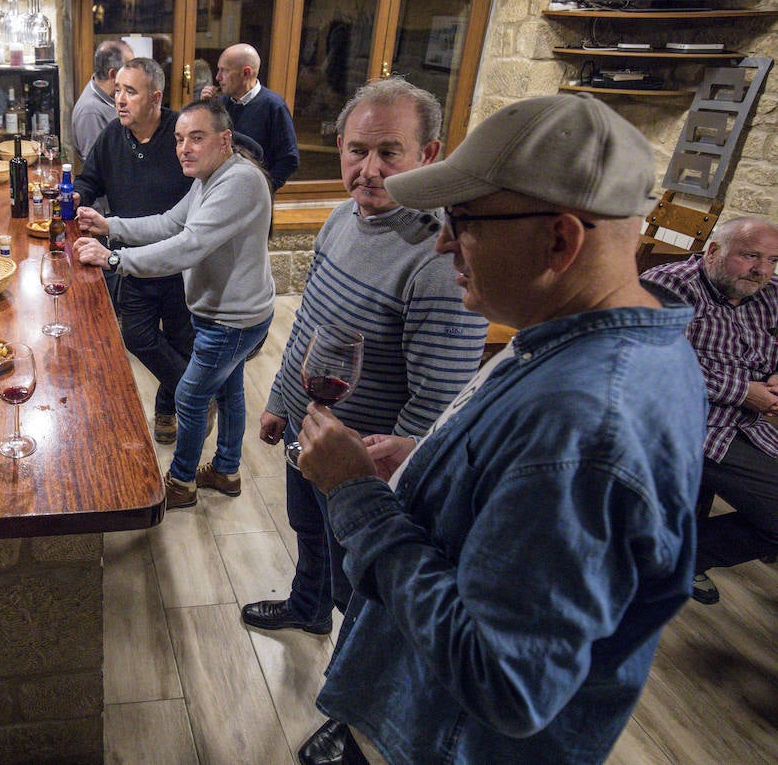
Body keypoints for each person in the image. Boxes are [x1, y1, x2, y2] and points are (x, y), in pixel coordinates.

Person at [291, 93, 705, 765]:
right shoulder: (593, 338)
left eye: (464, 221)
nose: (443, 241)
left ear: (560, 240)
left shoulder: (589, 426)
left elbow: (506, 681)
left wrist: (354, 495)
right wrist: (434, 463)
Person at [242, 78, 487, 640]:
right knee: (307, 530)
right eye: (357, 151)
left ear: (428, 154)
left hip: (364, 462)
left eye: (388, 152)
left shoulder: (438, 257)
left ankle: (347, 686)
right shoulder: (342, 217)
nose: (368, 169)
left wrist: (383, 473)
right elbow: (309, 322)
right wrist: (282, 399)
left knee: (359, 584)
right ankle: (306, 608)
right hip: (312, 430)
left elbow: (439, 394)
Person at [73, 100, 274, 508]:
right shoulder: (210, 177)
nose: (184, 148)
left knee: (190, 397)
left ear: (224, 139)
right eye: (180, 139)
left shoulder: (239, 181)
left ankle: (181, 483)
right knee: (229, 392)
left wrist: (115, 259)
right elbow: (170, 222)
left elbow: (188, 246)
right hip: (228, 311)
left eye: (196, 138)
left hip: (232, 319)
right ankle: (227, 471)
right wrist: (111, 225)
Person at [642, 216, 778, 606]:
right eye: (750, 256)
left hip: (751, 425)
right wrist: (744, 392)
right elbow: (656, 364)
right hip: (688, 424)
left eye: (772, 260)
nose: (762, 270)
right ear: (713, 250)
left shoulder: (770, 293)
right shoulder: (669, 285)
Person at [74, 57, 194, 445]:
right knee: (138, 337)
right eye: (117, 91)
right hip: (130, 260)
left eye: (131, 92)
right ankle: (195, 393)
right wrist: (77, 197)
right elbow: (89, 180)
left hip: (179, 260)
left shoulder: (182, 134)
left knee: (180, 341)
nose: (120, 100)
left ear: (155, 97)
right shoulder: (113, 135)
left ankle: (167, 408)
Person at [201, 42, 300, 192]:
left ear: (246, 73)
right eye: (218, 70)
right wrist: (205, 108)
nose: (218, 77)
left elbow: (289, 159)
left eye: (224, 71)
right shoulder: (221, 103)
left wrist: (263, 188)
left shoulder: (274, 106)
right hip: (220, 189)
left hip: (254, 193)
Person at [70, 38, 134, 158]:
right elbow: (98, 165)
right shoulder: (90, 112)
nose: (134, 76)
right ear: (113, 75)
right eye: (129, 71)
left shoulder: (110, 96)